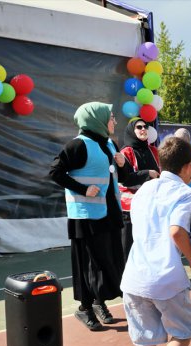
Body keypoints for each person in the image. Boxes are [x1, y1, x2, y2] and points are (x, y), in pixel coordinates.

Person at [118, 137, 191, 346]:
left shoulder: (144, 190)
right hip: (164, 276)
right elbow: (177, 230)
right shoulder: (185, 192)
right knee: (183, 331)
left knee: (144, 343)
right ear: (188, 166)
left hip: (134, 277)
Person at [49, 102, 130, 331]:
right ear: (96, 119)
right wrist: (83, 189)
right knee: (88, 263)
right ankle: (85, 308)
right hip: (85, 216)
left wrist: (123, 165)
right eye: (111, 117)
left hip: (109, 211)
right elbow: (55, 172)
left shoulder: (110, 145)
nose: (114, 121)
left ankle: (98, 302)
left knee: (107, 261)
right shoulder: (77, 145)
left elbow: (120, 176)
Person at [118, 119, 160, 258]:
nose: (143, 129)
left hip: (151, 206)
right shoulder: (126, 152)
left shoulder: (153, 150)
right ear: (132, 131)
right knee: (129, 247)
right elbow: (126, 179)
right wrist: (147, 173)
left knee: (149, 245)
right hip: (131, 209)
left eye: (145, 126)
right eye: (139, 127)